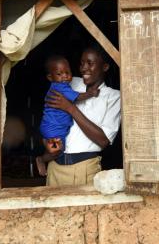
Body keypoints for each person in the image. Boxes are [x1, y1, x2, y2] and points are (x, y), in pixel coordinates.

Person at [42, 45, 121, 186]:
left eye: (90, 63)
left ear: (105, 67)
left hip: (83, 168)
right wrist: (47, 147)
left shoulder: (114, 97)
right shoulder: (69, 82)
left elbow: (103, 141)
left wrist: (70, 108)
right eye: (82, 63)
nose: (84, 68)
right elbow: (51, 115)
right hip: (55, 167)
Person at [36, 55, 100, 176]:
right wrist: (90, 93)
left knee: (58, 149)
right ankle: (41, 159)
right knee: (57, 151)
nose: (65, 76)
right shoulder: (60, 87)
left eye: (67, 72)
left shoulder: (59, 86)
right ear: (50, 77)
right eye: (59, 74)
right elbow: (77, 97)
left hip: (53, 128)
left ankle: (45, 145)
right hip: (54, 129)